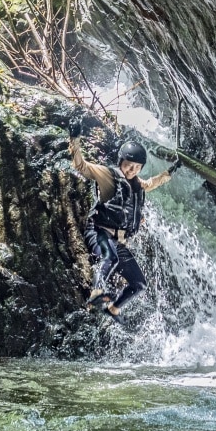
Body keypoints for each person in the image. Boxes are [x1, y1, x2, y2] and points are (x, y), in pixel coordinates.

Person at [68, 120, 180, 320]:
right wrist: (74, 139)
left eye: (137, 167)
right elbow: (81, 166)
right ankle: (96, 293)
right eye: (129, 165)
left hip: (118, 242)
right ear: (121, 161)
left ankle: (114, 309)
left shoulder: (137, 184)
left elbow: (152, 183)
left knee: (139, 284)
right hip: (99, 233)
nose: (131, 170)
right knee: (110, 258)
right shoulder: (108, 175)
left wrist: (171, 171)